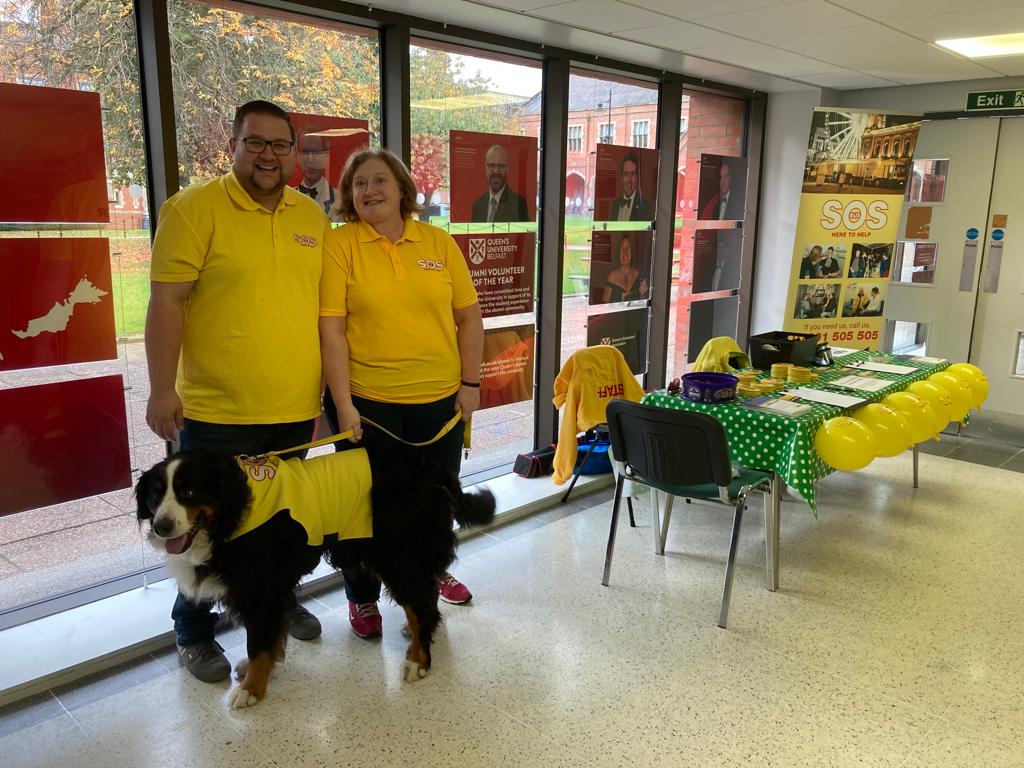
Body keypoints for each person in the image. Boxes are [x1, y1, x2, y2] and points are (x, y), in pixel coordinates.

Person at [145, 100, 328, 683]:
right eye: (255, 142)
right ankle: (193, 631)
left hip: (292, 409)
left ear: (294, 151)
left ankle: (274, 604)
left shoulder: (311, 216)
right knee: (200, 533)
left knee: (281, 527)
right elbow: (167, 303)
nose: (268, 155)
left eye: (280, 144)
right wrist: (159, 388)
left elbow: (322, 312)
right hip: (216, 413)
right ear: (233, 147)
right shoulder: (192, 209)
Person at [321, 149, 484, 639]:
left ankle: (428, 581)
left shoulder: (438, 242)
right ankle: (363, 595)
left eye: (379, 181)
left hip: (440, 405)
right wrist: (344, 406)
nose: (369, 190)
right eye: (358, 184)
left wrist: (471, 384)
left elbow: (469, 318)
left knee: (435, 504)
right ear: (348, 195)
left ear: (402, 189)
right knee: (363, 508)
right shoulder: (340, 245)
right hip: (369, 407)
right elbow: (331, 332)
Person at [470, 144, 529, 222]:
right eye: (491, 166)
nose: (496, 171)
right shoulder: (477, 205)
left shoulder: (519, 204)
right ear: (485, 169)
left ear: (507, 169)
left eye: (501, 166)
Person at [294, 130, 335, 214]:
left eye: (317, 152)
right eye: (305, 152)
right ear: (297, 156)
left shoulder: (342, 200)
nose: (311, 159)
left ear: (326, 156)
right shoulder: (284, 199)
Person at [601, 235, 648, 303]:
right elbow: (604, 305)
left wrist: (643, 295)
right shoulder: (612, 277)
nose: (625, 252)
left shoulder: (638, 275)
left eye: (628, 249)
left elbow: (641, 302)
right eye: (622, 249)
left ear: (632, 252)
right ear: (618, 253)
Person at [608, 152, 653, 221]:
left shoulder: (645, 206)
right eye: (626, 174)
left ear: (637, 178)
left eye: (633, 174)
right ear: (622, 178)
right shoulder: (615, 205)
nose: (629, 180)